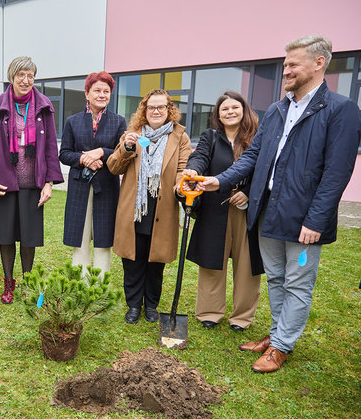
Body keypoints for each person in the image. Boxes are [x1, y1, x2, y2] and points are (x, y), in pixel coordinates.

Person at [199, 35, 361, 373]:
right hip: (266, 210)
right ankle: (276, 336)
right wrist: (219, 180)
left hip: (304, 217)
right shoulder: (276, 109)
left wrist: (316, 220)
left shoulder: (340, 110)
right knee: (274, 277)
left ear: (319, 63)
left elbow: (337, 172)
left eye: (292, 64)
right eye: (285, 64)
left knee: (298, 282)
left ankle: (282, 346)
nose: (285, 70)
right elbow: (254, 157)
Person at [0, 56, 64, 304]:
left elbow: (50, 147)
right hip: (4, 182)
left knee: (29, 237)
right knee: (5, 235)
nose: (26, 80)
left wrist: (49, 182)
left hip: (33, 182)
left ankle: (27, 282)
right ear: (12, 77)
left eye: (31, 76)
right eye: (21, 75)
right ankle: (9, 282)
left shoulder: (44, 106)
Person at [107, 89, 191, 324]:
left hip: (162, 208)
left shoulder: (180, 137)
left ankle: (151, 305)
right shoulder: (132, 134)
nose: (155, 111)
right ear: (144, 110)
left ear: (169, 110)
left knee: (156, 261)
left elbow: (182, 170)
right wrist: (126, 148)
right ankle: (134, 305)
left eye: (161, 107)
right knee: (133, 259)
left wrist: (181, 187)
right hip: (135, 207)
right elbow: (114, 167)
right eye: (151, 107)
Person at [183, 91, 264, 332]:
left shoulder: (257, 137)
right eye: (224, 109)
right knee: (211, 261)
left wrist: (248, 192)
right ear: (218, 115)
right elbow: (199, 157)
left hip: (246, 209)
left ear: (244, 110)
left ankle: (242, 317)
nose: (230, 112)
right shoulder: (210, 137)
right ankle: (210, 312)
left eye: (234, 107)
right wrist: (191, 171)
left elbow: (264, 168)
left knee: (247, 265)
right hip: (214, 207)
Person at [59, 71, 126, 275]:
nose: (102, 95)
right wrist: (83, 159)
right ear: (87, 93)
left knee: (103, 239)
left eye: (106, 91)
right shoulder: (73, 121)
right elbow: (64, 154)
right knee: (80, 237)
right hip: (80, 185)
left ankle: (100, 286)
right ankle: (82, 283)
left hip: (106, 186)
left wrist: (101, 153)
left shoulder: (118, 121)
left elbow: (120, 151)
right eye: (97, 90)